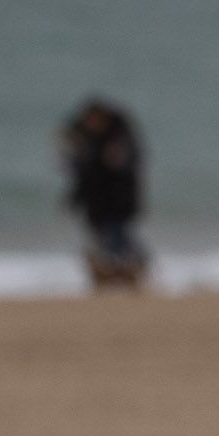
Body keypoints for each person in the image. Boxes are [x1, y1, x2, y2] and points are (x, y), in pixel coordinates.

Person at [60, 95, 149, 290]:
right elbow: (79, 174)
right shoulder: (82, 140)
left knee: (117, 237)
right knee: (106, 238)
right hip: (95, 202)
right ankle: (115, 272)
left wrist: (118, 158)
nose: (93, 124)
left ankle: (129, 268)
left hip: (118, 200)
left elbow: (129, 165)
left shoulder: (120, 138)